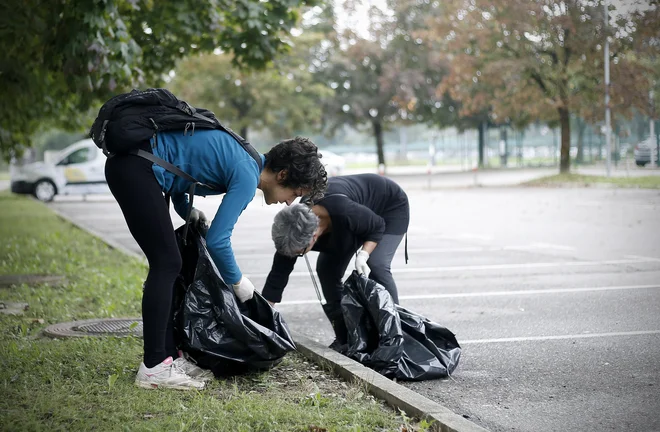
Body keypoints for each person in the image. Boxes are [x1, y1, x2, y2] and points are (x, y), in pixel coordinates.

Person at [105, 129, 327, 390]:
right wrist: (238, 282)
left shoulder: (244, 159)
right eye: (295, 193)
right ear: (282, 175)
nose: (290, 203)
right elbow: (218, 241)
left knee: (169, 264)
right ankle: (154, 367)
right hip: (136, 168)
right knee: (166, 264)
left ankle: (167, 358)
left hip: (135, 166)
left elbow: (180, 167)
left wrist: (185, 210)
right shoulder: (246, 173)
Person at [261, 174, 409, 351]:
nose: (295, 255)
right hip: (349, 224)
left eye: (300, 252)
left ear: (314, 237)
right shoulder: (293, 228)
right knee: (327, 271)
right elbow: (277, 277)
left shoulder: (343, 210)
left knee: (377, 264)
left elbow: (376, 226)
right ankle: (345, 337)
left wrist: (363, 254)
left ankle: (398, 338)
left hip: (388, 206)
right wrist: (263, 318)